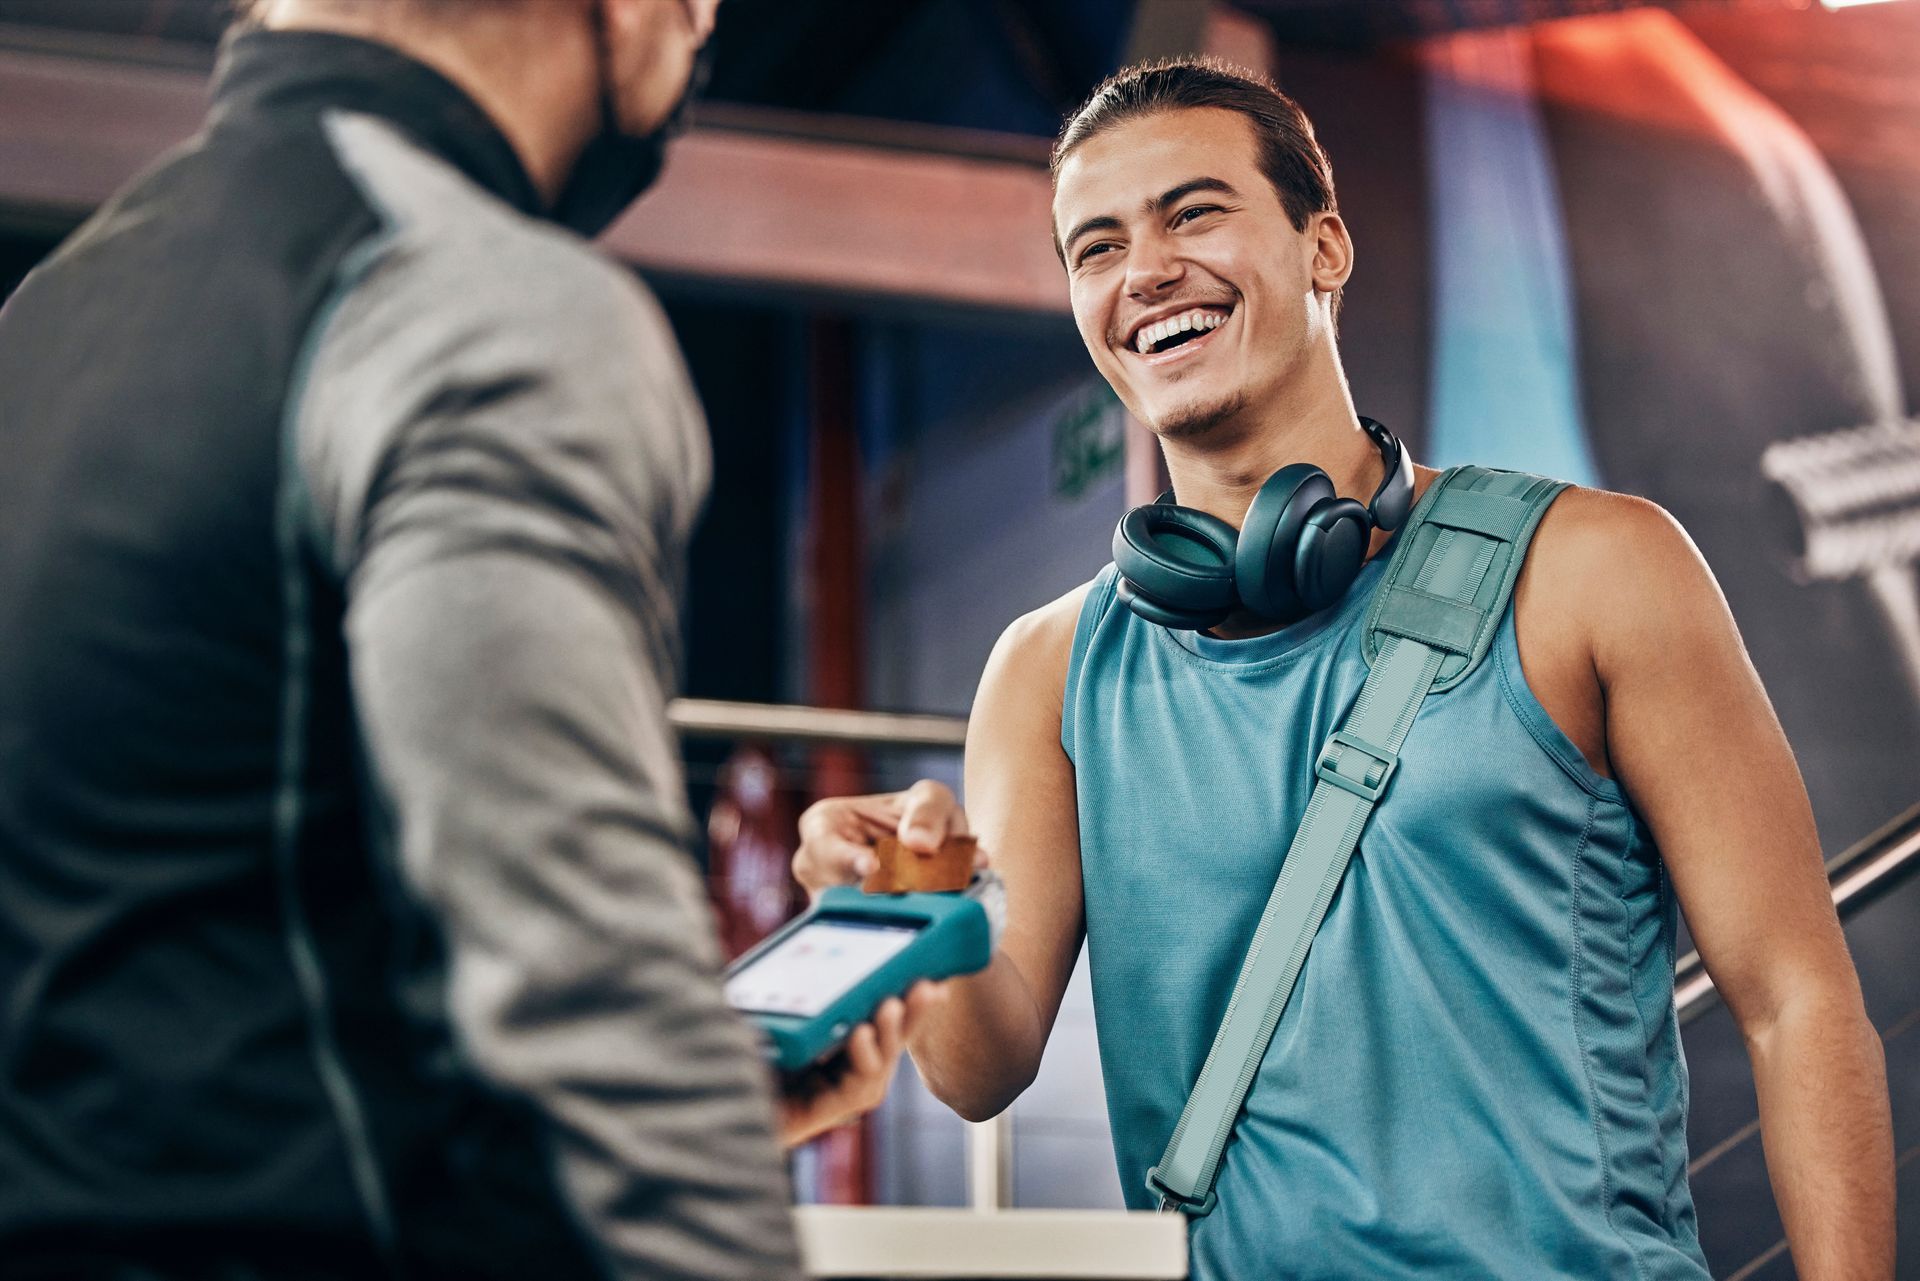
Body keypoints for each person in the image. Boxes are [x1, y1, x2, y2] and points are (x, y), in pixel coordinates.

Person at [795, 58, 1896, 1280]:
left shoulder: (1595, 569)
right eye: (1094, 247)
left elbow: (1798, 1001)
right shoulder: (1048, 671)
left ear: (1326, 249)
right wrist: (908, 895)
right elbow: (979, 1067)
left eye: (1194, 213)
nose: (1145, 270)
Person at [0, 1, 930, 1278]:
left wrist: (718, 1084)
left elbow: (205, 937)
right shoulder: (476, 305)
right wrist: (670, 1121)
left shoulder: (52, 320)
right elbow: (592, 1029)